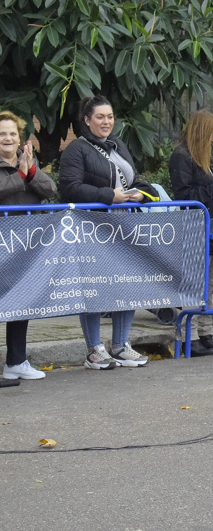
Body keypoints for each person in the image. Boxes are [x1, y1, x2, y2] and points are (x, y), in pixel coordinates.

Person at [59, 95, 156, 370]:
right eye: (100, 117)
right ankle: (94, 350)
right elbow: (69, 187)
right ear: (87, 120)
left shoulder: (119, 145)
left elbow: (135, 179)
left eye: (110, 116)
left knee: (126, 283)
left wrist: (143, 193)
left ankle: (120, 346)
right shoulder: (76, 149)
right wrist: (108, 196)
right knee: (95, 286)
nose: (106, 121)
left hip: (125, 226)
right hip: (92, 228)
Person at [169, 110, 213, 356]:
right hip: (194, 225)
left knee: (211, 282)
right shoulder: (181, 156)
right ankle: (189, 337)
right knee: (193, 282)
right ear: (202, 132)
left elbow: (207, 189)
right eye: (212, 134)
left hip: (212, 225)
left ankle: (206, 333)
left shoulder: (204, 156)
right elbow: (184, 196)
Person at [0, 111, 56, 380]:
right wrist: (20, 176)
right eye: (2, 133)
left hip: (23, 245)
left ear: (19, 137)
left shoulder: (27, 162)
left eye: (12, 133)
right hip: (2, 243)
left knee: (19, 303)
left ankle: (16, 361)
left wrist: (30, 171)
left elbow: (50, 189)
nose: (7, 138)